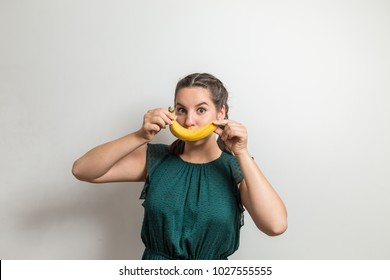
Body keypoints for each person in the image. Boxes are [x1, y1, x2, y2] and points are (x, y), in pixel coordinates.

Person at [72, 73, 287, 260]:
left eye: (201, 110)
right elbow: (82, 170)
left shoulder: (236, 167)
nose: (189, 121)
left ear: (221, 113)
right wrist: (140, 135)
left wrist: (241, 152)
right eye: (181, 110)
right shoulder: (157, 159)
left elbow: (275, 225)